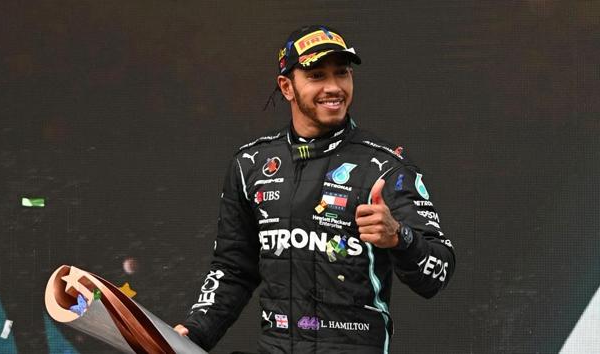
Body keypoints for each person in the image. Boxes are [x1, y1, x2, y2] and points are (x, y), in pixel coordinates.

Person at [175, 24, 455, 354]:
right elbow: (234, 270)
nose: (334, 87)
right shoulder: (250, 164)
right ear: (287, 87)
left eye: (342, 73)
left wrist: (399, 237)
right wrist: (193, 333)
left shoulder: (386, 166)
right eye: (317, 76)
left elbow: (439, 271)